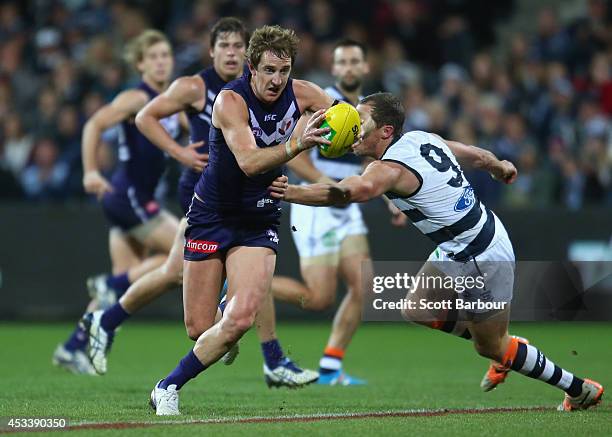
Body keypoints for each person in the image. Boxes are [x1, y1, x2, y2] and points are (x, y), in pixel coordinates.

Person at [283, 92, 604, 412]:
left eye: (361, 119)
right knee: (417, 308)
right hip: (462, 243)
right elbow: (475, 155)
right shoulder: (423, 138)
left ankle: (578, 389)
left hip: (481, 255)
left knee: (490, 347)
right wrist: (498, 166)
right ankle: (505, 347)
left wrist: (291, 191)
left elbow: (347, 192)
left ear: (386, 131)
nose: (353, 126)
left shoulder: (388, 169)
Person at [84, 18, 317, 387]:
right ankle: (107, 318)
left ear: (247, 55)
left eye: (238, 46)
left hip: (253, 200)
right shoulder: (197, 87)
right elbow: (146, 117)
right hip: (204, 197)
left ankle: (270, 356)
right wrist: (179, 152)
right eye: (224, 46)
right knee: (180, 288)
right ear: (213, 51)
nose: (231, 52)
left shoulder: (273, 91)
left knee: (249, 283)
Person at [149, 24, 336, 415]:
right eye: (268, 70)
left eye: (283, 71)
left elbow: (342, 123)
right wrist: (298, 143)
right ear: (251, 67)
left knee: (243, 315)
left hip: (260, 216)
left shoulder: (306, 95)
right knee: (201, 329)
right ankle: (223, 323)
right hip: (211, 214)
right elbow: (250, 162)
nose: (276, 80)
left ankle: (167, 386)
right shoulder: (229, 102)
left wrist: (357, 139)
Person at [53, 30, 180, 375]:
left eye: (165, 55)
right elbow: (93, 125)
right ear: (139, 63)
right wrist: (91, 171)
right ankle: (109, 287)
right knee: (181, 255)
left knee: (124, 286)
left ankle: (72, 346)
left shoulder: (172, 98)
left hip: (135, 200)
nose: (160, 61)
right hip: (129, 198)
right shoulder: (136, 97)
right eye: (152, 56)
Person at [271, 39, 388, 385]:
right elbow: (294, 153)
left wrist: (388, 198)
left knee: (362, 286)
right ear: (334, 68)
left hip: (347, 203)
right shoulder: (319, 102)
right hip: (316, 202)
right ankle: (245, 285)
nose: (349, 67)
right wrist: (326, 186)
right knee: (319, 298)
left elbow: (372, 162)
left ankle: (330, 367)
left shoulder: (368, 109)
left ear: (365, 67)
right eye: (343, 62)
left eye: (356, 61)